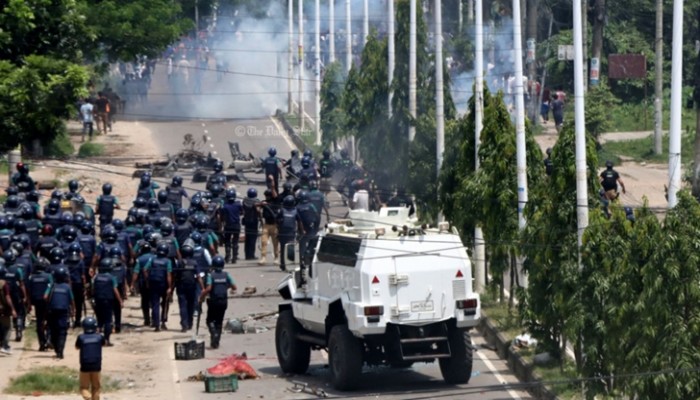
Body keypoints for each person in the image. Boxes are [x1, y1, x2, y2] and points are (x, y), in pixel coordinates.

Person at [198, 255, 236, 349]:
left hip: (213, 301)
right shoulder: (226, 275)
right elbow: (234, 286)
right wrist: (225, 287)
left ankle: (214, 333)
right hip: (223, 301)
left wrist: (202, 296)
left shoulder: (211, 275)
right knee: (219, 322)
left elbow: (209, 288)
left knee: (210, 320)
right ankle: (216, 342)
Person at [45, 266, 75, 359]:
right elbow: (72, 300)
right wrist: (73, 310)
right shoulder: (67, 287)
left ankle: (57, 349)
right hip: (63, 311)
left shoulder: (52, 285)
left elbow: (45, 297)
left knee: (53, 330)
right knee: (62, 331)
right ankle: (60, 352)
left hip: (52, 311)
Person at [143, 243, 173, 331]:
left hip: (153, 283)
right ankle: (163, 322)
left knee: (155, 304)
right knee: (165, 304)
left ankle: (156, 325)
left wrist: (147, 280)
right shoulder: (168, 261)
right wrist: (170, 287)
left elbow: (145, 269)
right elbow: (168, 274)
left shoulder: (152, 259)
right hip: (163, 284)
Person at [174, 244, 204, 332]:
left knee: (182, 305)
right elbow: (199, 276)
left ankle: (184, 325)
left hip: (181, 286)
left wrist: (171, 287)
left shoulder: (179, 262)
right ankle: (190, 323)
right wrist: (203, 288)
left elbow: (175, 274)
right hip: (192, 287)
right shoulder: (194, 263)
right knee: (191, 305)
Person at [92, 258, 121, 346]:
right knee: (108, 321)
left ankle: (96, 340)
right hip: (108, 301)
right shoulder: (112, 277)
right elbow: (115, 290)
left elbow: (93, 289)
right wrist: (120, 301)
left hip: (97, 300)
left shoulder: (96, 277)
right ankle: (107, 340)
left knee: (99, 321)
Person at [75, 316, 106, 400]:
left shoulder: (81, 337)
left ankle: (88, 397)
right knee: (96, 387)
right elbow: (104, 344)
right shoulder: (99, 337)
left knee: (84, 387)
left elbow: (77, 347)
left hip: (84, 366)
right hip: (97, 365)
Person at [27, 258, 52, 351]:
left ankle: (42, 343)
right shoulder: (48, 276)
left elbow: (28, 291)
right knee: (49, 321)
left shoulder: (31, 277)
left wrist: (29, 304)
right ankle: (49, 339)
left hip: (37, 303)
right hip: (47, 302)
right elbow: (51, 287)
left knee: (39, 322)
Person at [218, 188, 242, 264]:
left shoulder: (224, 206)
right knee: (235, 242)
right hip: (236, 225)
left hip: (228, 225)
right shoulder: (238, 205)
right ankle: (234, 257)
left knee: (227, 242)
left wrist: (221, 225)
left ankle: (227, 256)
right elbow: (241, 213)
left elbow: (221, 216)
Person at [276, 195, 298, 272]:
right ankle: (286, 265)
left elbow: (277, 220)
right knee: (288, 249)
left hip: (284, 232)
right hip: (290, 233)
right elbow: (299, 221)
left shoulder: (282, 210)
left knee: (284, 249)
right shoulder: (295, 211)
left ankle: (284, 265)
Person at [259, 189, 280, 265]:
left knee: (275, 243)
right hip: (266, 225)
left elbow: (275, 192)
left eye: (268, 195)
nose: (267, 197)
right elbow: (257, 206)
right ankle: (263, 257)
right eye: (266, 195)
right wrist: (261, 204)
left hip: (274, 225)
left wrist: (273, 185)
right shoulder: (264, 202)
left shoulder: (275, 202)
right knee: (263, 242)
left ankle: (276, 258)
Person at [0, 265, 18, 354]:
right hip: (3, 310)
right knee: (8, 327)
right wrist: (13, 309)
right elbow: (7, 297)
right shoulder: (4, 284)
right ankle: (5, 346)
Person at [241, 188, 260, 260]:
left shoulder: (245, 200)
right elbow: (258, 211)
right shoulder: (256, 201)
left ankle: (247, 254)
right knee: (252, 239)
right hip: (253, 221)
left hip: (246, 221)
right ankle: (251, 255)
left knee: (248, 238)